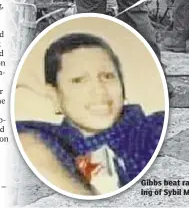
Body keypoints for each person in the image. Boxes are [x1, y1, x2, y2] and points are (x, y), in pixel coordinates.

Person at [16, 33, 165, 197]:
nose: (99, 90)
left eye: (107, 76)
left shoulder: (153, 129)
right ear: (54, 96)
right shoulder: (42, 139)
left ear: (122, 86)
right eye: (79, 80)